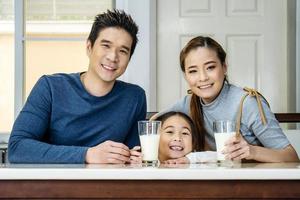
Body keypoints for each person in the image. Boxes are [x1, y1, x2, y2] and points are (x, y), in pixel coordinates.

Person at [8, 9, 146, 164]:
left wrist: (135, 158)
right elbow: (17, 148)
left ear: (129, 58)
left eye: (123, 51)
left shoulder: (135, 97)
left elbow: (130, 156)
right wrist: (87, 155)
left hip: (106, 187)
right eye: (106, 45)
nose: (113, 57)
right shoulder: (50, 87)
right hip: (52, 185)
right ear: (89, 47)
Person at [156, 36, 299, 163]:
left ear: (224, 67)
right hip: (216, 181)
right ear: (186, 76)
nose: (203, 77)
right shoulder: (188, 103)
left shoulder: (247, 104)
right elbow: (150, 125)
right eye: (193, 71)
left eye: (210, 67)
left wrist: (252, 151)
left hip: (253, 183)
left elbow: (291, 156)